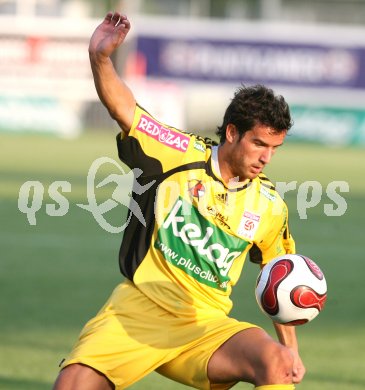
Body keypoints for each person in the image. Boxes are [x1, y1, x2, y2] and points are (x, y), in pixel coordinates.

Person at [53, 12, 305, 390]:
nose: (266, 157)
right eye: (259, 144)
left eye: (274, 148)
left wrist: (292, 352)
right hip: (140, 310)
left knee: (277, 365)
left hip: (206, 327)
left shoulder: (269, 205)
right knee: (73, 384)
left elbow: (278, 277)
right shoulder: (179, 154)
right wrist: (100, 59)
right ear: (233, 133)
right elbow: (125, 110)